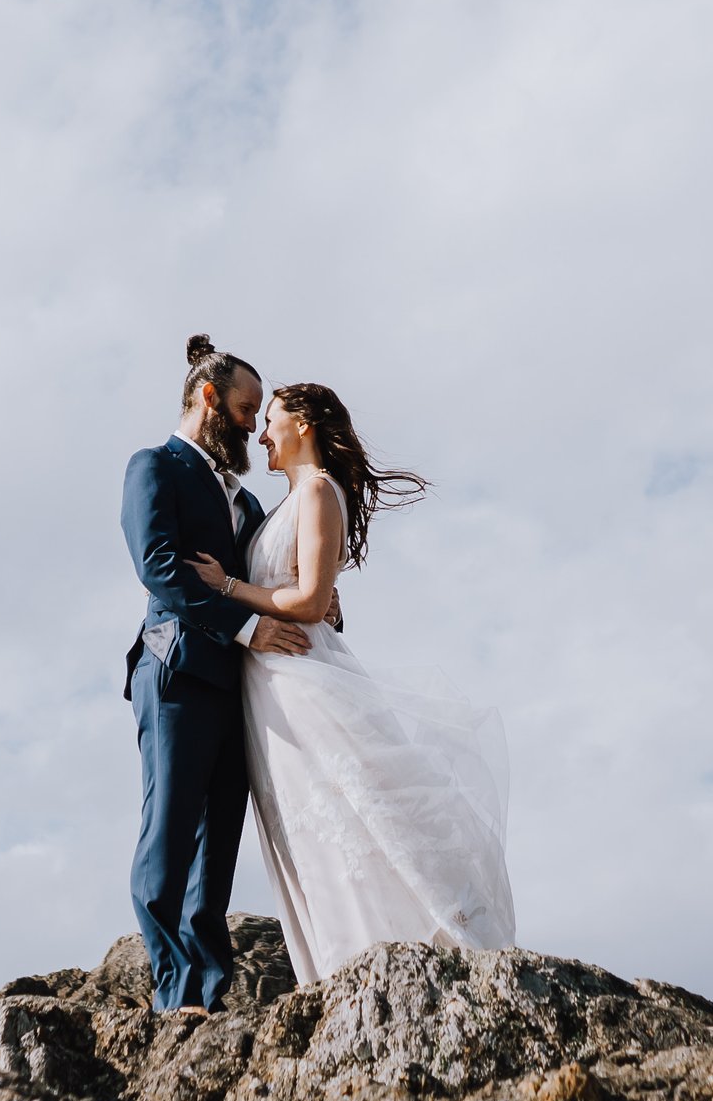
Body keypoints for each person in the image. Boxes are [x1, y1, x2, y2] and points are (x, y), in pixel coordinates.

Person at [187, 380, 516, 983]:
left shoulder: (316, 490)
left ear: (303, 423)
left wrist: (229, 589)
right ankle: (342, 965)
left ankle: (394, 952)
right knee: (309, 832)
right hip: (272, 687)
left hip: (301, 682)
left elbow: (310, 599)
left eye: (272, 421)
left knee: (348, 819)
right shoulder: (284, 504)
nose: (260, 434)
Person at [119, 336, 314, 1014]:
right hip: (173, 673)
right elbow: (160, 569)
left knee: (217, 852)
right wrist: (248, 627)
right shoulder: (155, 467)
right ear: (207, 397)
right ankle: (173, 989)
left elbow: (269, 583)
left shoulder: (250, 508)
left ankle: (209, 989)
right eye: (244, 407)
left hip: (238, 690)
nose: (253, 423)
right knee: (169, 832)